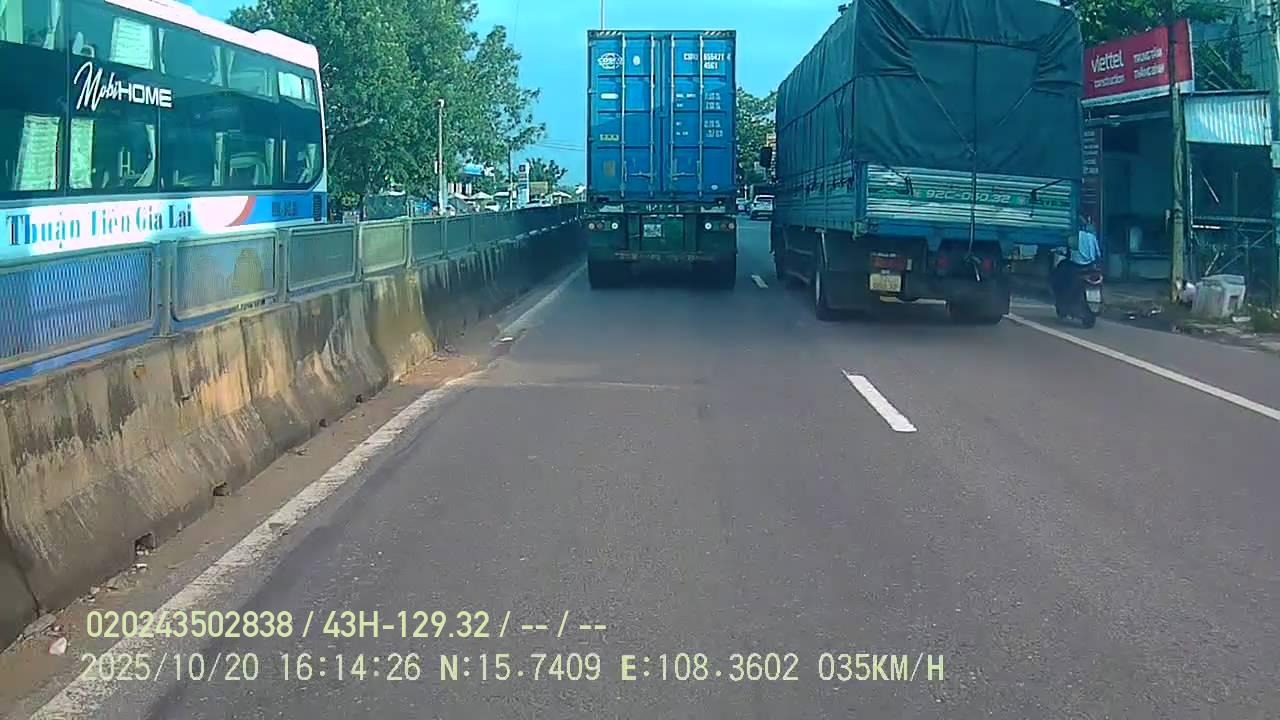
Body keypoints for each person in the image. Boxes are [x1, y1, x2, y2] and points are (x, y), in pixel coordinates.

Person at [1052, 216, 1101, 298]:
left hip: (1076, 265)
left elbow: (1068, 253)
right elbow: (1098, 254)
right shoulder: (1092, 237)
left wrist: (1060, 252)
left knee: (1060, 268)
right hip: (1090, 265)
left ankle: (1059, 293)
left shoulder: (1073, 236)